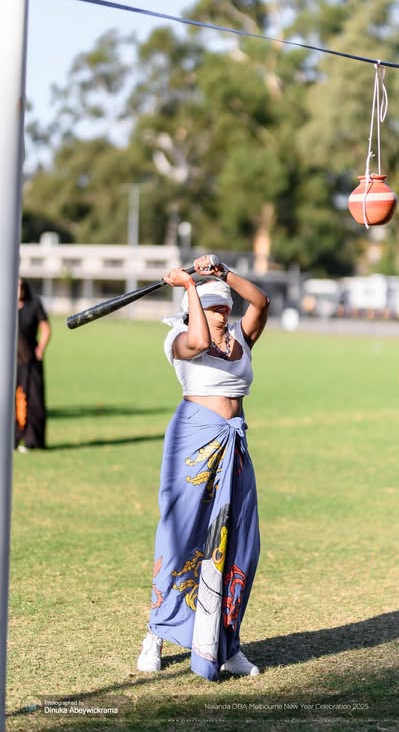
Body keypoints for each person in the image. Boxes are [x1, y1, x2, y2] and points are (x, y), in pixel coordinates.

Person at [137, 255, 270, 681]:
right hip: (194, 440)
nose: (222, 313)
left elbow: (262, 302)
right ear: (193, 308)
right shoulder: (178, 338)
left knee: (240, 543)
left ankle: (226, 644)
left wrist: (223, 273)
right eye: (214, 307)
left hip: (234, 440)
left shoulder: (240, 337)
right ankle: (156, 633)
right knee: (181, 536)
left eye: (224, 306)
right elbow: (196, 341)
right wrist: (191, 287)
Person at [14, 278, 51, 453]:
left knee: (34, 402)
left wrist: (41, 348)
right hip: (12, 362)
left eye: (20, 286)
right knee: (12, 401)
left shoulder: (34, 304)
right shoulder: (6, 305)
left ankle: (32, 440)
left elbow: (45, 328)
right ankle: (12, 439)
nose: (18, 289)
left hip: (30, 360)